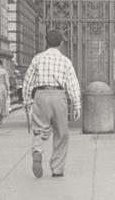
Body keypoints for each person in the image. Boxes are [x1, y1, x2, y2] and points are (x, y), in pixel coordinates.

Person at [22, 29, 81, 178]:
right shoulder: (65, 61)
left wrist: (27, 100)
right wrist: (76, 104)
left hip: (41, 95)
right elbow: (72, 84)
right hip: (59, 96)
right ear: (61, 43)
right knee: (62, 133)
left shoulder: (37, 59)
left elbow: (28, 81)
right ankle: (57, 168)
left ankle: (37, 150)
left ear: (46, 42)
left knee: (39, 128)